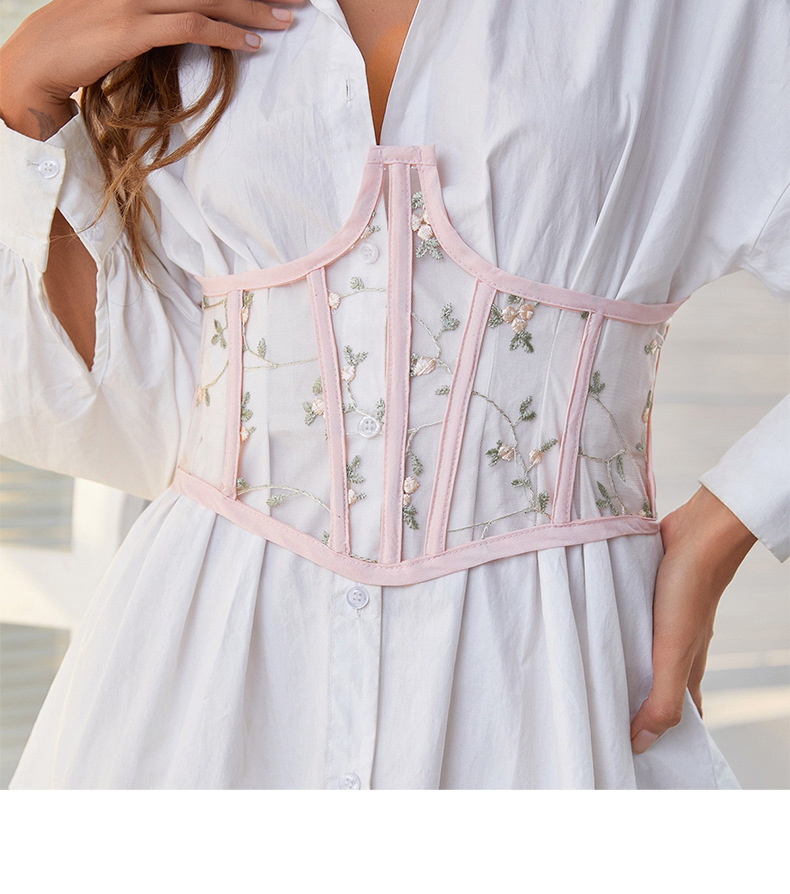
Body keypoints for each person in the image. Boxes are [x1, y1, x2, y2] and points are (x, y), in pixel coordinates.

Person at [0, 0, 787, 789]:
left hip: (543, 673)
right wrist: (22, 96)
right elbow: (146, 417)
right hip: (210, 670)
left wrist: (724, 526)